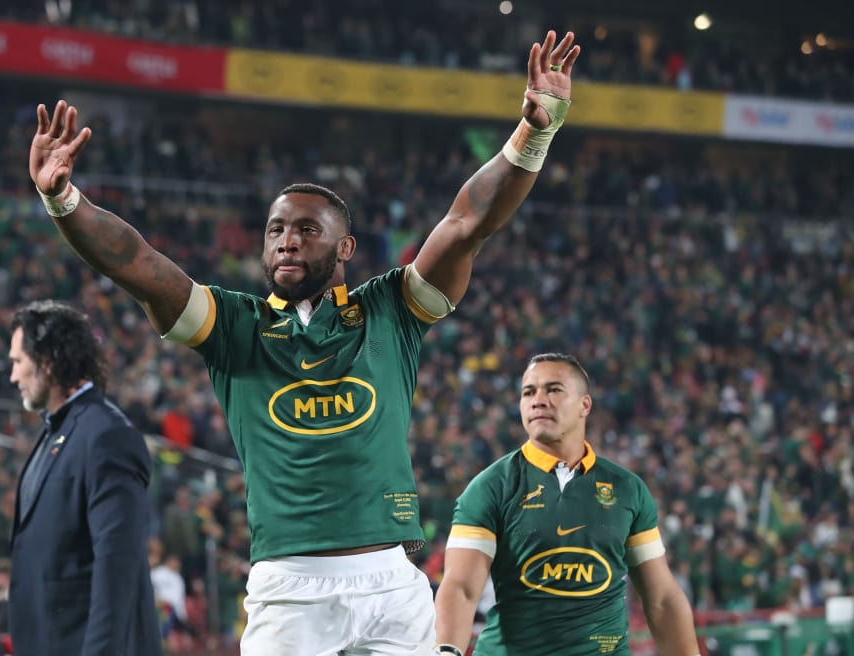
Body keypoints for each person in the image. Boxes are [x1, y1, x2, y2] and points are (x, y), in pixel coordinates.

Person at [29, 30, 580, 655]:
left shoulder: (390, 310)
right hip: (291, 585)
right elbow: (137, 262)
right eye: (275, 230)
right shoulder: (231, 325)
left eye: (307, 230)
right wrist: (64, 199)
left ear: (345, 248)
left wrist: (534, 134)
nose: (286, 240)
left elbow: (464, 224)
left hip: (393, 581)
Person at [433, 353, 700, 656]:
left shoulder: (628, 489)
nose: (538, 400)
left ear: (585, 405)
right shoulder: (489, 487)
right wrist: (447, 651)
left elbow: (662, 598)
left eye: (554, 389)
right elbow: (462, 588)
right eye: (528, 392)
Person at [5, 300, 162, 656]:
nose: (13, 376)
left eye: (18, 362)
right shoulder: (56, 432)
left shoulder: (106, 435)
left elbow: (117, 563)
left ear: (47, 362)